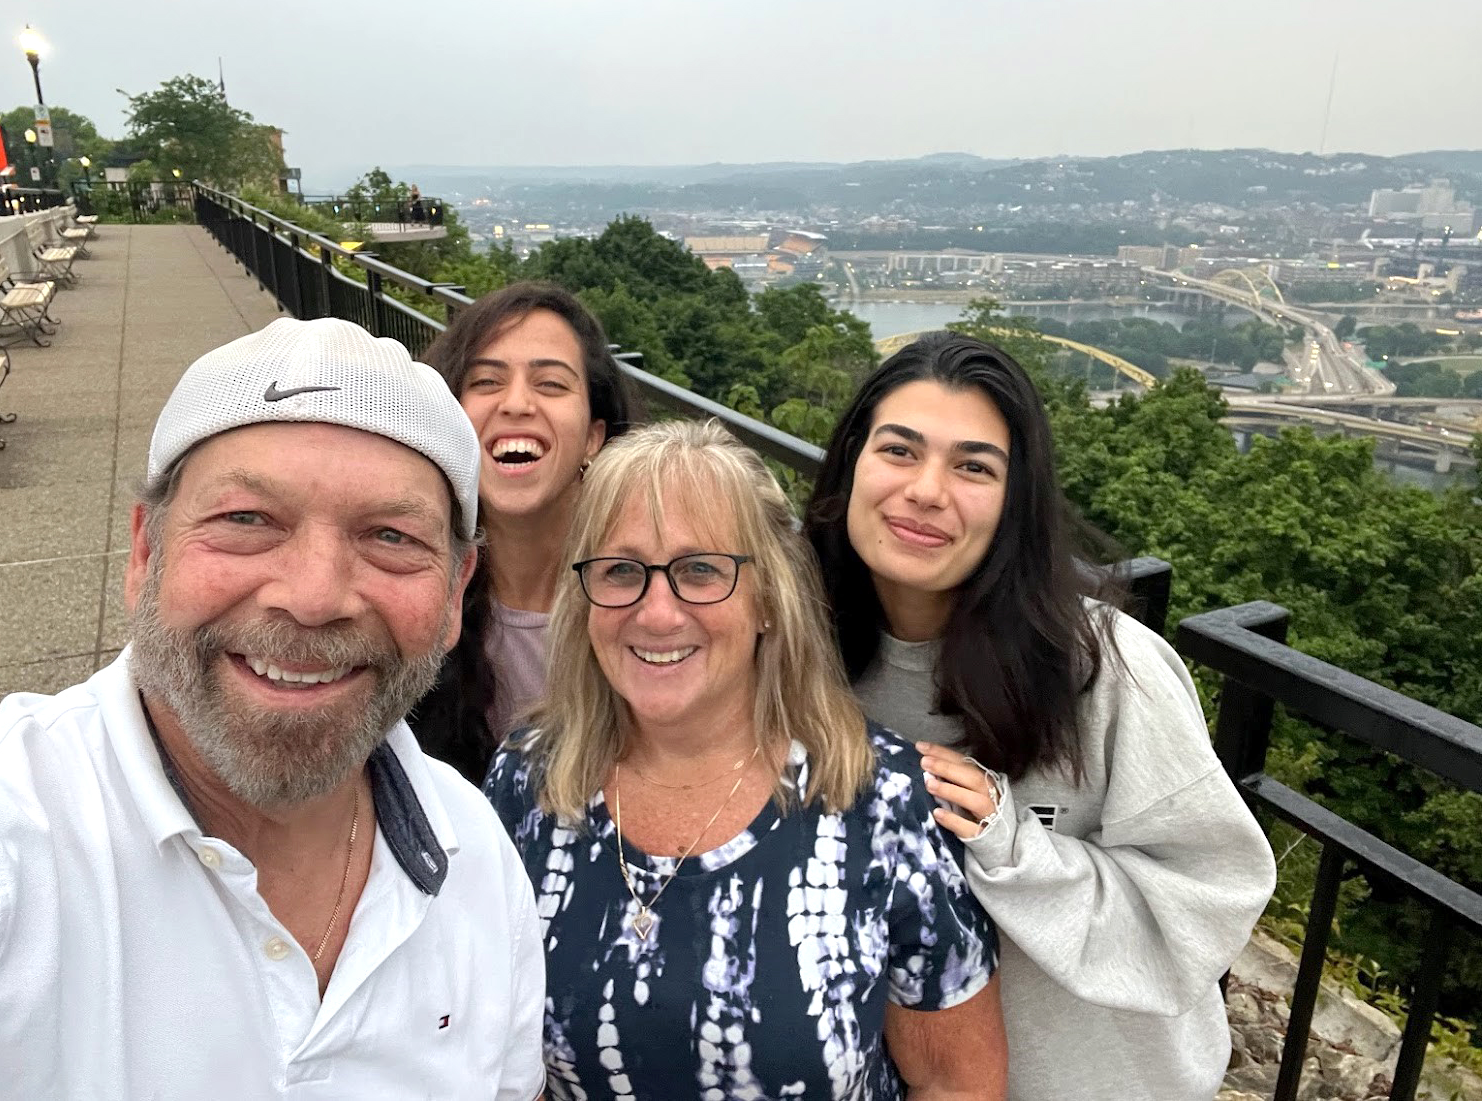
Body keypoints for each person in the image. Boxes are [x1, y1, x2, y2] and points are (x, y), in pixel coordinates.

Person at [0, 318, 545, 1100]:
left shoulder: (479, 863)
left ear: (457, 593)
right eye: (247, 520)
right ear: (146, 552)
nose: (315, 596)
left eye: (390, 535)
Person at [803, 330, 1277, 1101]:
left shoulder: (1107, 669)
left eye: (973, 467)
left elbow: (1211, 901)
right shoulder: (797, 651)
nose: (926, 489)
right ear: (852, 460)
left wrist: (1011, 844)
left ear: (1016, 500)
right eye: (899, 450)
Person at [483, 418, 1008, 1101]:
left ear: (766, 598)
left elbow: (956, 1081)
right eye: (621, 570)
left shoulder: (886, 804)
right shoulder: (527, 782)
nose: (658, 611)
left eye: (701, 569)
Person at [411, 281, 640, 781]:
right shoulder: (412, 595)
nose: (517, 403)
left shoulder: (648, 600)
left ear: (593, 439)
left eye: (552, 385)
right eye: (487, 382)